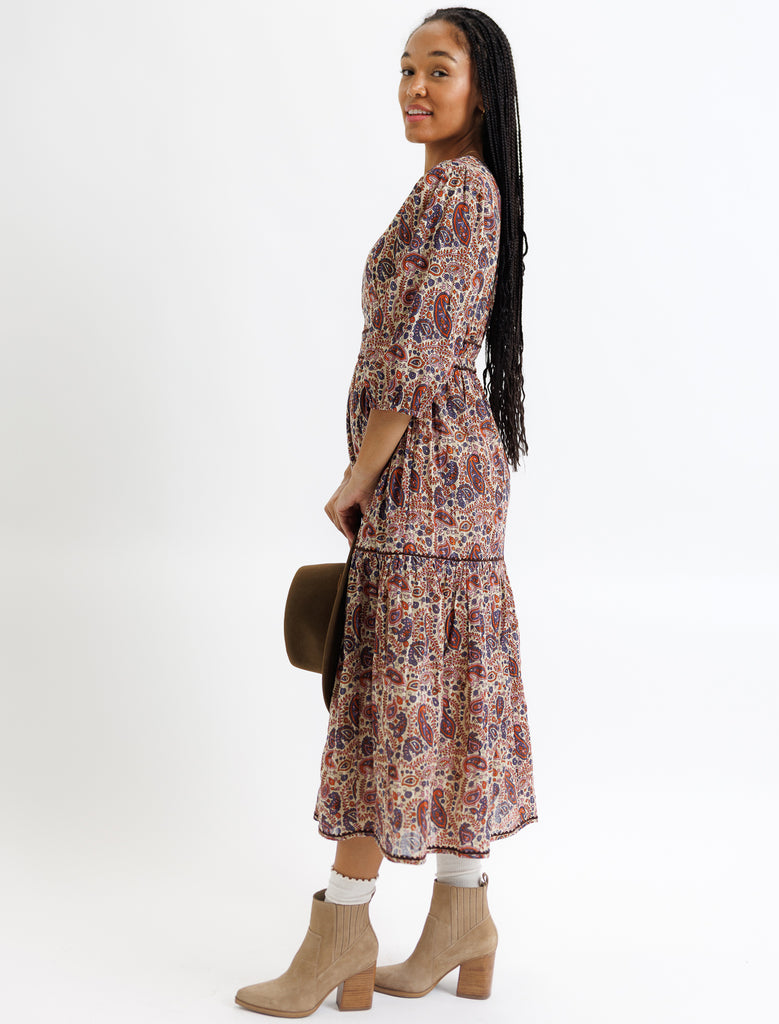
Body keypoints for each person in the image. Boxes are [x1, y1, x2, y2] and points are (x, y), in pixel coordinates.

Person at [235, 7, 538, 1016]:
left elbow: (417, 361)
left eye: (437, 69)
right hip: (453, 487)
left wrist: (359, 476)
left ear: (480, 89)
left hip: (422, 486)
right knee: (438, 695)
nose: (413, 85)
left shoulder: (458, 192)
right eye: (405, 68)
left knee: (380, 705)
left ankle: (341, 927)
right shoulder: (464, 191)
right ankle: (461, 912)